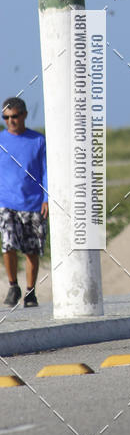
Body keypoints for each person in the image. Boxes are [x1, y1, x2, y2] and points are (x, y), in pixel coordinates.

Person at [0, 97, 48, 308]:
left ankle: (30, 292)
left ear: (24, 115)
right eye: (6, 117)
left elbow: (47, 171)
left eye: (15, 116)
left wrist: (47, 198)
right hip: (6, 202)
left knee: (32, 250)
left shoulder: (38, 140)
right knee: (8, 244)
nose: (11, 120)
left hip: (33, 202)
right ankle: (13, 285)